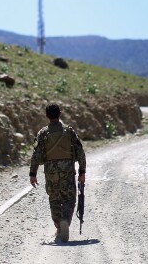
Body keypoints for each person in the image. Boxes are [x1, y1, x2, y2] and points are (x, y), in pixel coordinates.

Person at [29, 103, 86, 242]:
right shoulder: (69, 131)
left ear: (47, 116)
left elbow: (36, 155)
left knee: (54, 199)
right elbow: (80, 152)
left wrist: (33, 174)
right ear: (60, 113)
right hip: (67, 170)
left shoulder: (42, 133)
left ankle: (59, 227)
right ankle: (65, 220)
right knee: (69, 198)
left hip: (51, 172)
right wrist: (82, 171)